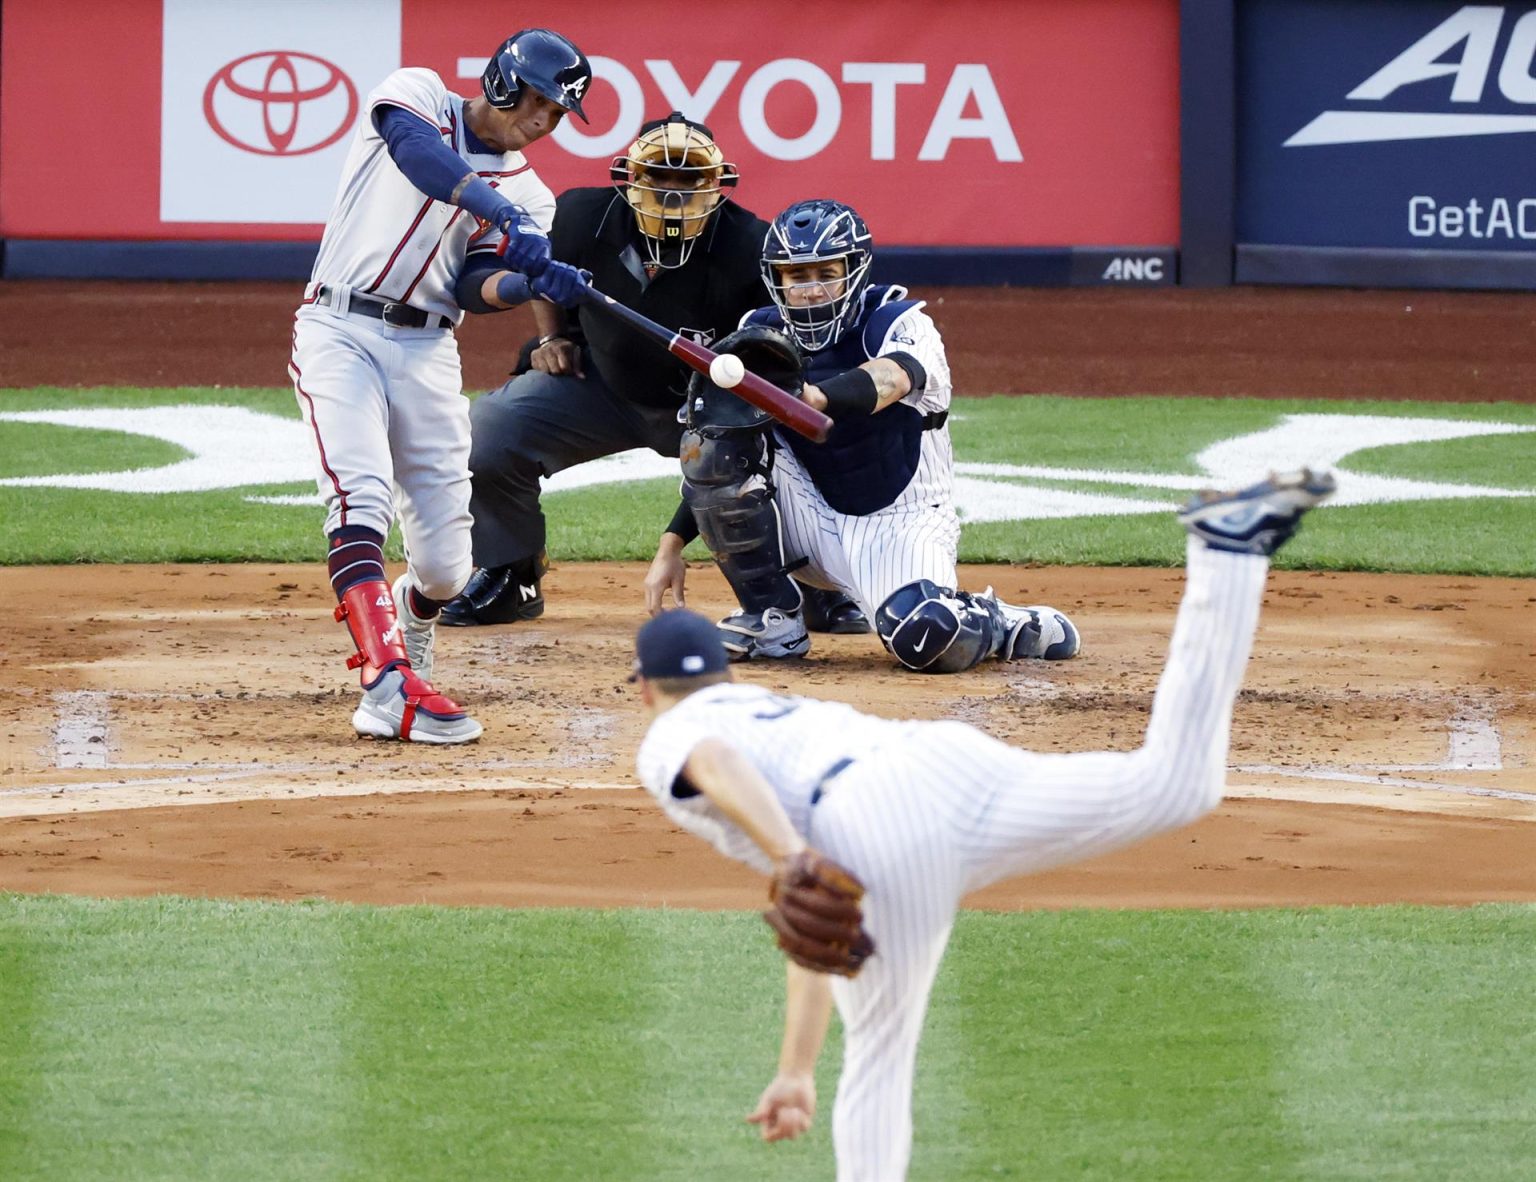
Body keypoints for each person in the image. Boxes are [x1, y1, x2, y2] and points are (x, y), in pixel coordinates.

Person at [631, 469, 1337, 1181]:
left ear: (649, 687)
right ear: (723, 674)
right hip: (940, 760)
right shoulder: (762, 706)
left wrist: (787, 858)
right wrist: (795, 1064)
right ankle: (1228, 555)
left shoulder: (671, 734)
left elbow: (717, 762)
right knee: (1176, 786)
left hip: (870, 818)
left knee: (879, 1058)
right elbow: (821, 921)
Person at [440, 113, 867, 635]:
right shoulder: (579, 214)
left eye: (688, 178)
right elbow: (542, 276)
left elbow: (776, 357)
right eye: (659, 176)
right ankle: (512, 574)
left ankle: (808, 583)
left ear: (716, 184)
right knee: (490, 431)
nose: (673, 191)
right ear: (631, 177)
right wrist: (553, 338)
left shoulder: (752, 245)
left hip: (710, 406)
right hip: (601, 385)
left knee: (792, 450)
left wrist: (731, 430)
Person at [289, 29, 595, 742]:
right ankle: (386, 683)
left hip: (428, 350)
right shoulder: (418, 93)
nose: (543, 121)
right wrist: (500, 212)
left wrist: (528, 279)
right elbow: (417, 156)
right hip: (340, 327)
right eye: (539, 101)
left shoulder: (533, 195)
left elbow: (473, 286)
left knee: (448, 570)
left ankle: (412, 615)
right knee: (357, 493)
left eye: (557, 114)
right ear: (499, 82)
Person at [645, 198, 1076, 671]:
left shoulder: (899, 323)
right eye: (797, 276)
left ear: (855, 270)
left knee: (927, 638)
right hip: (806, 520)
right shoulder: (759, 334)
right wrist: (671, 544)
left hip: (899, 523)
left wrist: (814, 399)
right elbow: (717, 453)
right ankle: (772, 617)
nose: (811, 290)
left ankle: (998, 620)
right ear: (776, 280)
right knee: (716, 436)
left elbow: (893, 378)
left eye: (825, 273)